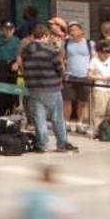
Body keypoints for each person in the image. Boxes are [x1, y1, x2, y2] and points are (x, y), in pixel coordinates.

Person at [19, 22, 72, 153]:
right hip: (52, 88)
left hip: (33, 88)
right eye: (48, 36)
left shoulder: (25, 51)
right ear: (44, 36)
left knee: (39, 118)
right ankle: (61, 143)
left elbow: (22, 67)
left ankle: (42, 144)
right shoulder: (50, 50)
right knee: (57, 117)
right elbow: (59, 69)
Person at [63, 23, 92, 135]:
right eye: (70, 30)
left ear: (81, 31)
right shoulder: (66, 43)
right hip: (70, 76)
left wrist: (91, 73)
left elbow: (93, 58)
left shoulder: (89, 43)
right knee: (67, 100)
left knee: (82, 101)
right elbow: (61, 58)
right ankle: (66, 122)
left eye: (74, 30)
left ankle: (79, 122)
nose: (72, 32)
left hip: (84, 76)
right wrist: (63, 72)